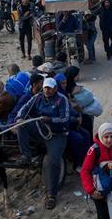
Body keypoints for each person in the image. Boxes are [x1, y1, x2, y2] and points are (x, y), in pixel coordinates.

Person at [15, 77, 72, 210]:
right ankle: (26, 155)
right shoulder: (37, 97)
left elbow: (65, 119)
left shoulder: (62, 99)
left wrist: (50, 120)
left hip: (56, 134)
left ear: (55, 88)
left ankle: (51, 195)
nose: (47, 90)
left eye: (50, 88)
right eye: (46, 87)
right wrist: (19, 118)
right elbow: (24, 108)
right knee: (22, 125)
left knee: (53, 161)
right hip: (41, 129)